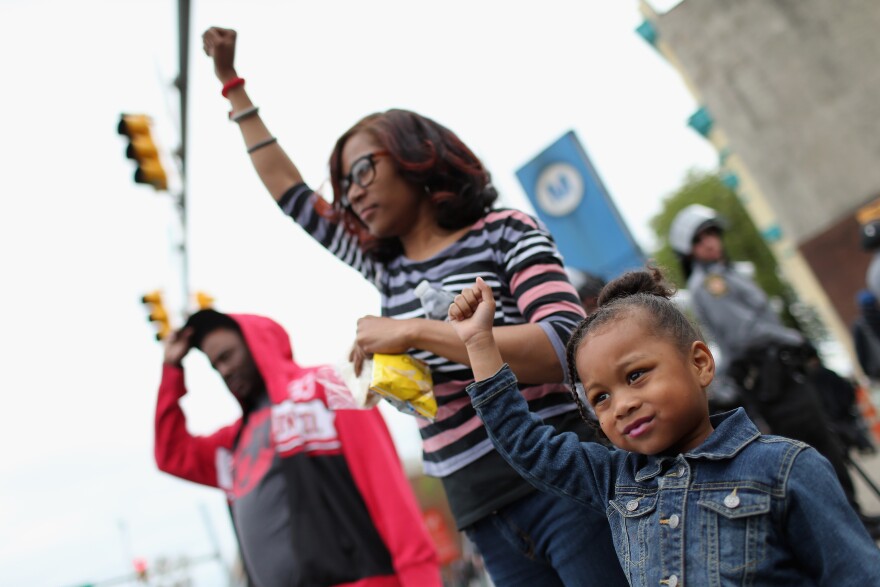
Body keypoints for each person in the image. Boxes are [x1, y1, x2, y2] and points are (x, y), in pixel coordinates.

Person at [203, 26, 627, 587]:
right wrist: (233, 87)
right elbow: (291, 193)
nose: (351, 193)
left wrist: (413, 333)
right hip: (481, 511)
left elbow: (566, 347)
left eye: (362, 171)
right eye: (343, 185)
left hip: (562, 480)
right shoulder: (385, 263)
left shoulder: (504, 233)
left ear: (416, 156)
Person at [448, 269, 880, 585]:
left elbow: (856, 576)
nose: (623, 404)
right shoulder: (616, 482)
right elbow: (527, 446)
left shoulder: (786, 467)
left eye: (635, 376)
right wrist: (479, 343)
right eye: (601, 397)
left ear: (700, 363)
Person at [154, 309, 442, 587]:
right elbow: (171, 455)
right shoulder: (235, 441)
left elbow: (385, 485)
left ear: (257, 344)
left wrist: (419, 575)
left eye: (228, 356)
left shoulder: (329, 385)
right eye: (216, 365)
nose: (225, 370)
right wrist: (171, 369)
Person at [667, 203, 880, 536]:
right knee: (812, 451)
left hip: (782, 370)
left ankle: (853, 516)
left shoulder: (730, 275)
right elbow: (746, 332)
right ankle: (846, 524)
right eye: (700, 239)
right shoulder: (709, 285)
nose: (710, 242)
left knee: (826, 442)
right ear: (688, 249)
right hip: (770, 379)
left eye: (712, 234)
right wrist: (792, 337)